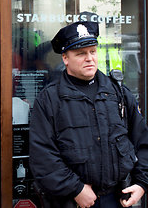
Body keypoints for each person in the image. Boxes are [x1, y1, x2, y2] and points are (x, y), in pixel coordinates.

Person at [29, 19, 148, 208]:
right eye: (81, 53)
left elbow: (142, 141)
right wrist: (75, 189)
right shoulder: (50, 99)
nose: (90, 58)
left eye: (93, 51)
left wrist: (142, 183)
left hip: (117, 199)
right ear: (65, 58)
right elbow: (42, 156)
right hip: (71, 201)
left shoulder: (118, 93)